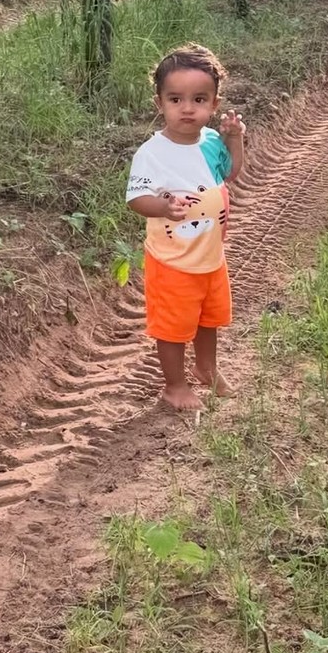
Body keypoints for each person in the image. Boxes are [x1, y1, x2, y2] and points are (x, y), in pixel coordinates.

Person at [127, 43, 246, 410]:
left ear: (214, 103)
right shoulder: (153, 153)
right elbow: (135, 199)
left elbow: (231, 172)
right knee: (173, 325)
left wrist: (234, 139)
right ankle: (175, 386)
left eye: (199, 99)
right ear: (159, 103)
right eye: (176, 99)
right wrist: (162, 206)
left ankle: (207, 368)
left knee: (208, 317)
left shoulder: (210, 141)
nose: (188, 108)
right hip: (173, 259)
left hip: (210, 255)